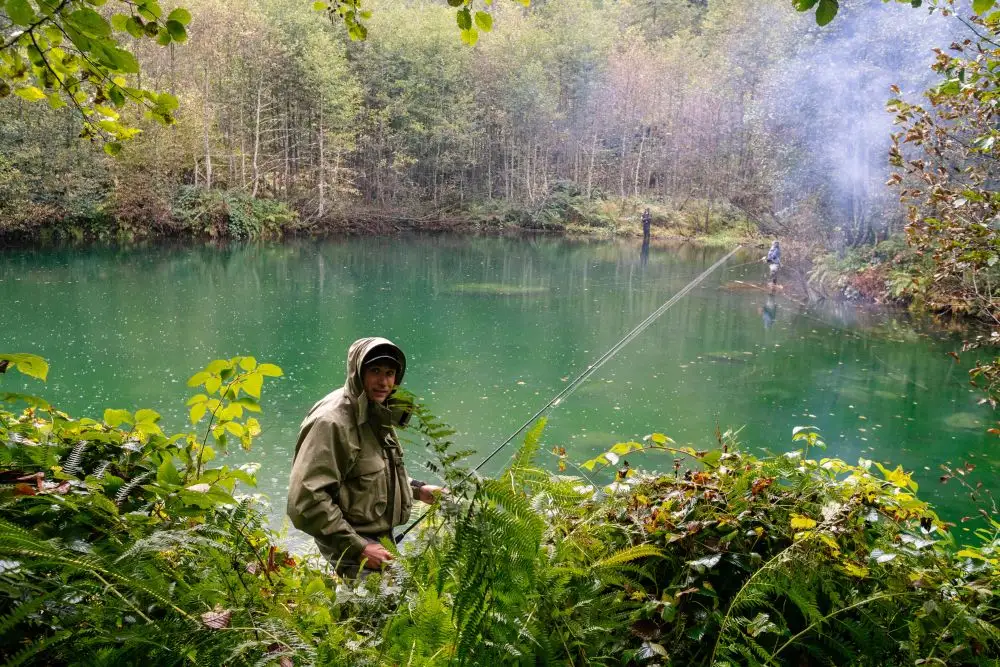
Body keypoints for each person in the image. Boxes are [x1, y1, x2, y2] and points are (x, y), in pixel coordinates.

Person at [286, 337, 442, 576]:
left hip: (376, 542)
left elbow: (368, 477)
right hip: (350, 546)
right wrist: (359, 548)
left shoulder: (374, 410)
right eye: (375, 371)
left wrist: (418, 490)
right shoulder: (332, 422)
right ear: (357, 372)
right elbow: (306, 500)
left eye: (390, 373)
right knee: (375, 612)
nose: (383, 382)